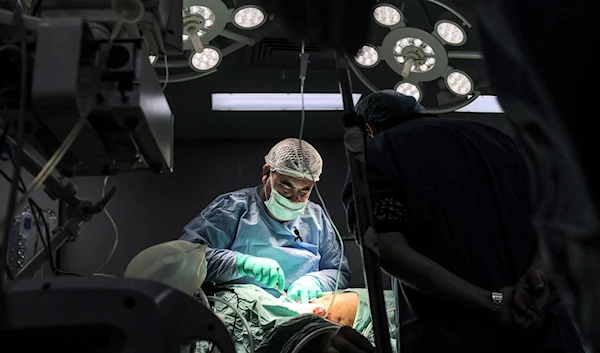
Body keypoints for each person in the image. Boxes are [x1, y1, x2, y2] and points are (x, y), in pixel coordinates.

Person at [339, 91, 583, 353]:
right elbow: (558, 220)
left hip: (459, 337)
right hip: (540, 325)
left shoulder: (375, 154)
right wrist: (536, 277)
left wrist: (493, 303)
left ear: (368, 129)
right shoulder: (501, 141)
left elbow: (386, 249)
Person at [181, 138, 351, 303]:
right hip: (242, 314)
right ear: (266, 173)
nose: (294, 199)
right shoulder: (232, 208)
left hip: (301, 313)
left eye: (304, 191)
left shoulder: (316, 218)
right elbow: (187, 257)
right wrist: (242, 263)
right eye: (286, 187)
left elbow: (339, 271)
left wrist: (316, 281)